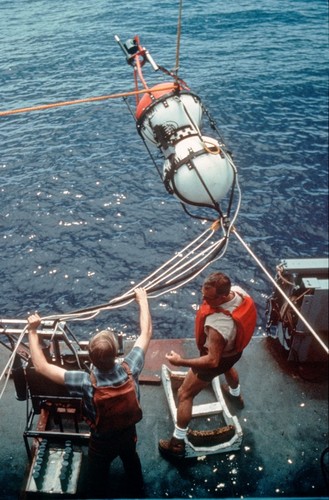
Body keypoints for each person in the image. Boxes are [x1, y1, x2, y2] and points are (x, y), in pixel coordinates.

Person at [27, 287, 152, 497]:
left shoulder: (85, 382)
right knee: (131, 459)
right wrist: (142, 299)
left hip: (102, 440)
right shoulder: (132, 367)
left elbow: (41, 367)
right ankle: (137, 487)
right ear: (116, 354)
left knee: (97, 472)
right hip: (128, 433)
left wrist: (32, 330)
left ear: (91, 359)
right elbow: (146, 332)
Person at [158, 272, 255, 459]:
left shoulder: (218, 326)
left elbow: (212, 361)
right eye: (203, 293)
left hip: (217, 358)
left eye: (208, 297)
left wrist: (180, 362)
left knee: (185, 394)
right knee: (227, 367)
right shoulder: (239, 293)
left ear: (222, 296)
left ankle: (176, 443)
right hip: (234, 351)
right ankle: (237, 397)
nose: (203, 299)